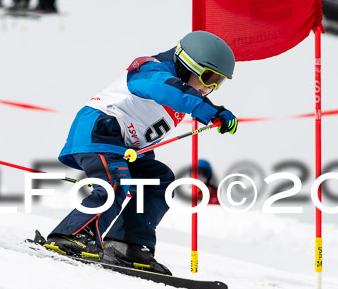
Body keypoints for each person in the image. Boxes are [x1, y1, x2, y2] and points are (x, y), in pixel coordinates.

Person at [42, 30, 238, 275]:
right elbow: (170, 91)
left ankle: (128, 243)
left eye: (218, 83)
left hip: (126, 147)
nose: (210, 88)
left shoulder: (185, 92)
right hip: (100, 130)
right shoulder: (151, 70)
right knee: (116, 181)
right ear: (187, 64)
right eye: (208, 77)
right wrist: (211, 111)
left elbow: (178, 96)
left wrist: (207, 107)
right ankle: (72, 235)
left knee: (159, 181)